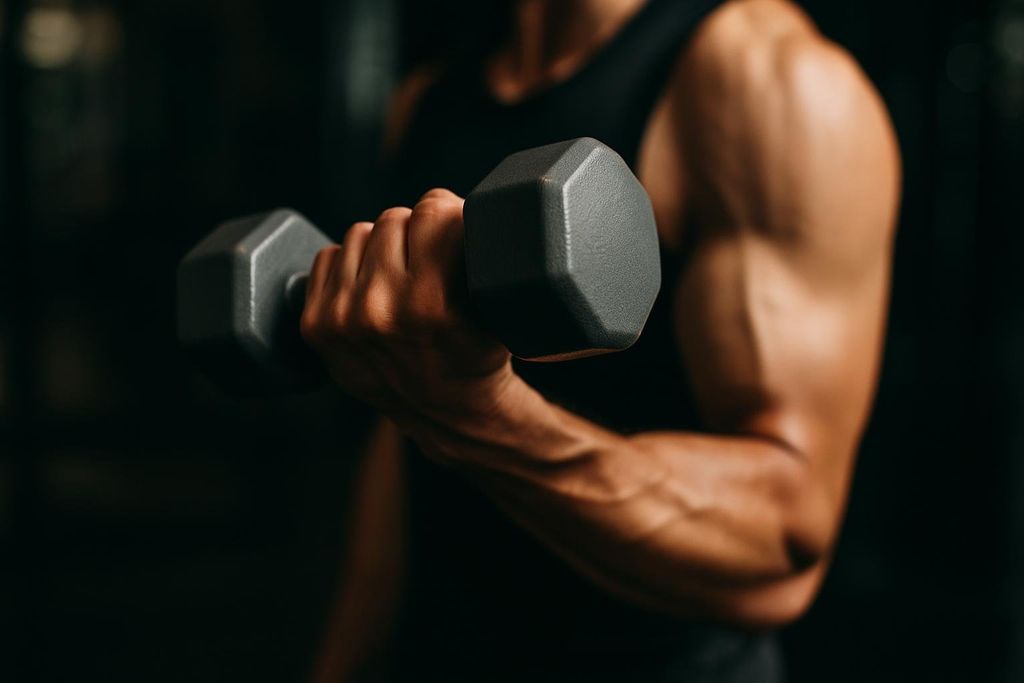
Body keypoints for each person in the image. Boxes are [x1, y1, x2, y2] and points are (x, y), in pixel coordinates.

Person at [304, 0, 900, 680]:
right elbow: (401, 445)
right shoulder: (427, 100)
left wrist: (477, 416)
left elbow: (783, 538)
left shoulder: (769, 83)